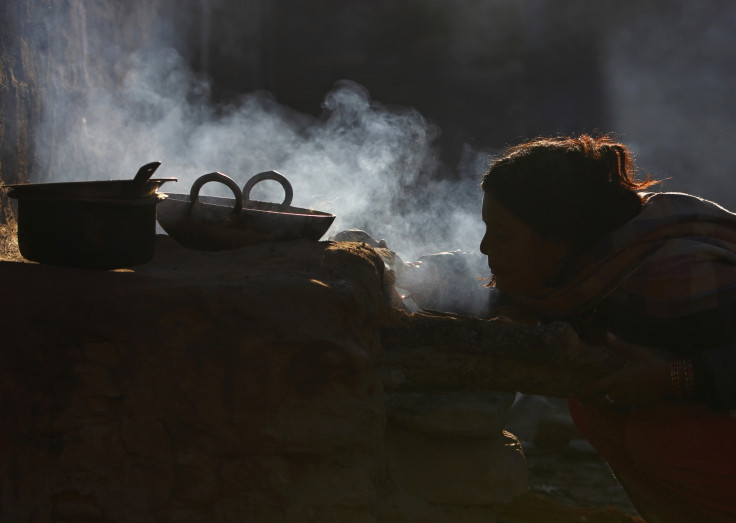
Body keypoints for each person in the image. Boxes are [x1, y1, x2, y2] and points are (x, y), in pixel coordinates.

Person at [479, 134, 736, 522]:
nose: (484, 248)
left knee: (660, 440)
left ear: (558, 240)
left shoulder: (681, 273)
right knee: (599, 406)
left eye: (501, 235)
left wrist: (677, 377)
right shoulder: (594, 263)